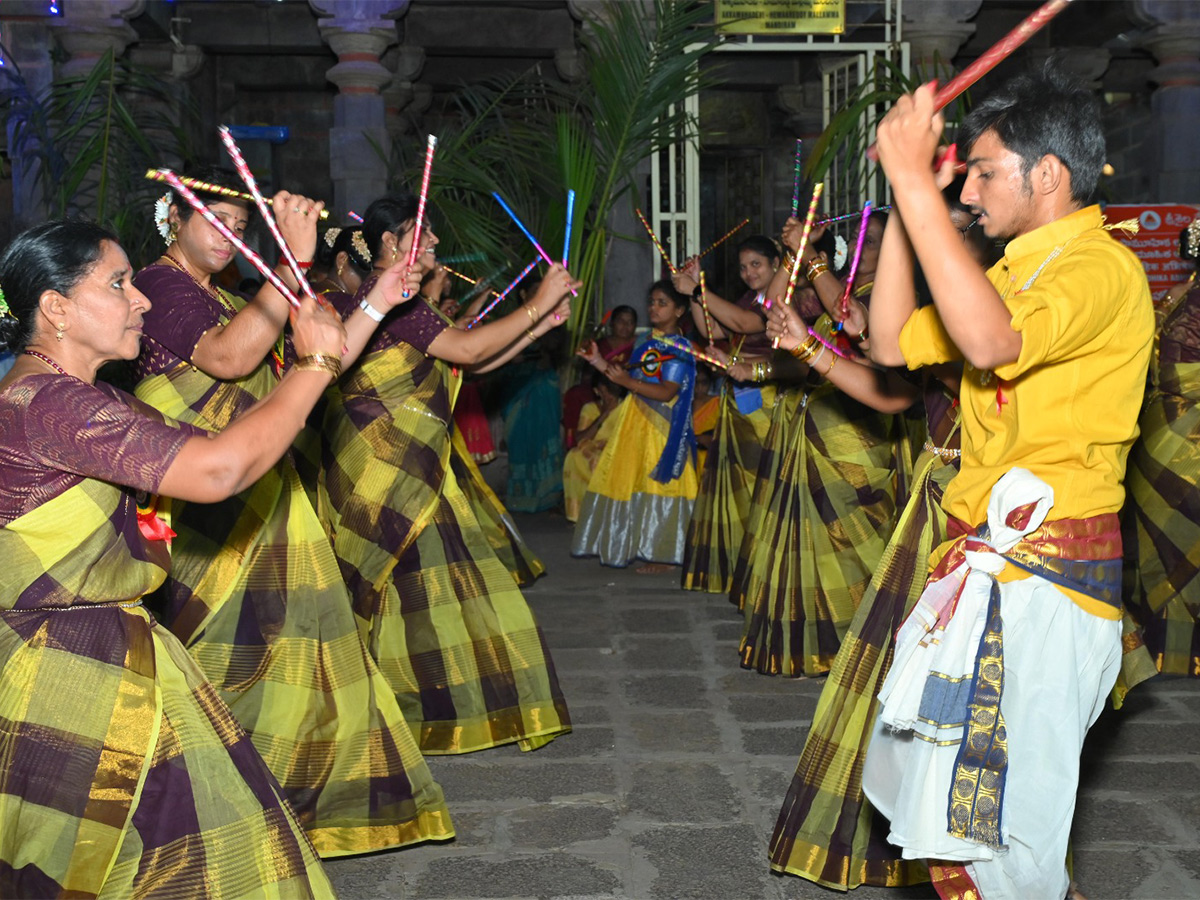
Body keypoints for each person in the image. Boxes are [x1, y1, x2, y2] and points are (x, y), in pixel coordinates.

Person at [860, 66, 1153, 900]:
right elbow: (887, 343)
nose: (973, 189)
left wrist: (919, 182)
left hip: (1051, 583)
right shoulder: (1007, 275)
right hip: (992, 571)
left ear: (1049, 174)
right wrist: (900, 202)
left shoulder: (1098, 268)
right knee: (968, 823)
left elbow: (989, 346)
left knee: (1005, 831)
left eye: (987, 171)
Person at [0, 220, 340, 897]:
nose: (143, 300)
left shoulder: (93, 403)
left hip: (112, 657)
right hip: (65, 672)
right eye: (118, 284)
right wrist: (316, 367)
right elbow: (219, 471)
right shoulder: (49, 404)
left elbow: (222, 451)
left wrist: (375, 306)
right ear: (56, 308)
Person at [133, 165, 452, 855]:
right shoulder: (159, 286)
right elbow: (229, 358)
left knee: (291, 651)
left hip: (258, 497)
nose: (228, 237)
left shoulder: (223, 296)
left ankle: (275, 802)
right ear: (172, 221)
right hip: (201, 508)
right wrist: (293, 262)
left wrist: (375, 306)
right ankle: (204, 805)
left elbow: (308, 369)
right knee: (221, 655)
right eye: (213, 222)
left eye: (241, 227)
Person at [320, 191, 575, 753]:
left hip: (406, 467)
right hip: (386, 469)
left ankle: (399, 708)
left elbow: (472, 360)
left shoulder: (400, 301)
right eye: (423, 230)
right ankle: (381, 708)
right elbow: (465, 347)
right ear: (391, 242)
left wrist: (538, 325)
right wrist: (536, 302)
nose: (434, 241)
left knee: (416, 592)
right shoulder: (393, 302)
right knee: (410, 588)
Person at [732, 211, 908, 678]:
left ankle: (871, 639)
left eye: (879, 243)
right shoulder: (836, 290)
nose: (867, 250)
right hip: (818, 422)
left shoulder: (892, 301)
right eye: (862, 241)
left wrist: (809, 256)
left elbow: (853, 324)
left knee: (857, 534)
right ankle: (820, 640)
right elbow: (772, 317)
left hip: (860, 432)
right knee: (810, 538)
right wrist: (794, 255)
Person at [673, 236, 786, 594]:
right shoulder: (750, 298)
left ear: (776, 263)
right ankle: (739, 563)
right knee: (738, 487)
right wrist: (696, 293)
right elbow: (712, 329)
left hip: (765, 402)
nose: (749, 272)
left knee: (760, 486)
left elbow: (745, 323)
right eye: (743, 267)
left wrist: (697, 291)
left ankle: (761, 567)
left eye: (756, 264)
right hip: (740, 401)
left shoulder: (784, 299)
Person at [573, 280, 698, 572]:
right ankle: (643, 545)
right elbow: (623, 376)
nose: (653, 308)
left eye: (662, 303)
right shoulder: (647, 343)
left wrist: (627, 382)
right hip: (636, 423)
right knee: (635, 483)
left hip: (662, 427)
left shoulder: (679, 347)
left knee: (660, 486)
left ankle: (665, 554)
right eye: (651, 302)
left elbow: (668, 391)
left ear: (680, 310)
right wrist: (596, 361)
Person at [1124, 216, 1200, 677]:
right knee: (1176, 550)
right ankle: (1177, 655)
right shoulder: (1185, 294)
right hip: (1181, 439)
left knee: (1171, 549)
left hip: (1162, 432)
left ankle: (1169, 655)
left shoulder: (1181, 293)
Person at [563, 374, 626, 522]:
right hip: (593, 448)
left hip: (619, 448)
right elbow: (580, 438)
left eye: (611, 392)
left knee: (602, 460)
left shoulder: (626, 407)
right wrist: (604, 415)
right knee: (574, 456)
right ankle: (582, 515)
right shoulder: (591, 408)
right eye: (605, 392)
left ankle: (608, 516)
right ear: (597, 392)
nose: (609, 396)